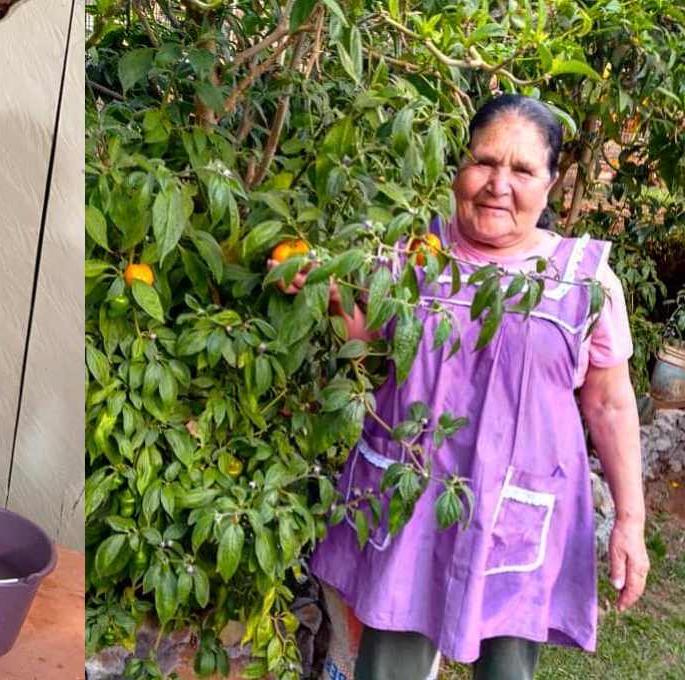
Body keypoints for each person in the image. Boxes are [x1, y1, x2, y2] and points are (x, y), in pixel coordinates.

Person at [273, 95, 648, 679]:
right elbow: (365, 337)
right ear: (458, 167)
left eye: (522, 170)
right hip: (411, 495)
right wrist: (325, 289)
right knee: (387, 665)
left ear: (550, 184)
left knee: (506, 670)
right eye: (484, 162)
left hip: (520, 512)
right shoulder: (414, 249)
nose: (499, 184)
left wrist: (630, 521)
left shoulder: (583, 276)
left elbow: (609, 402)